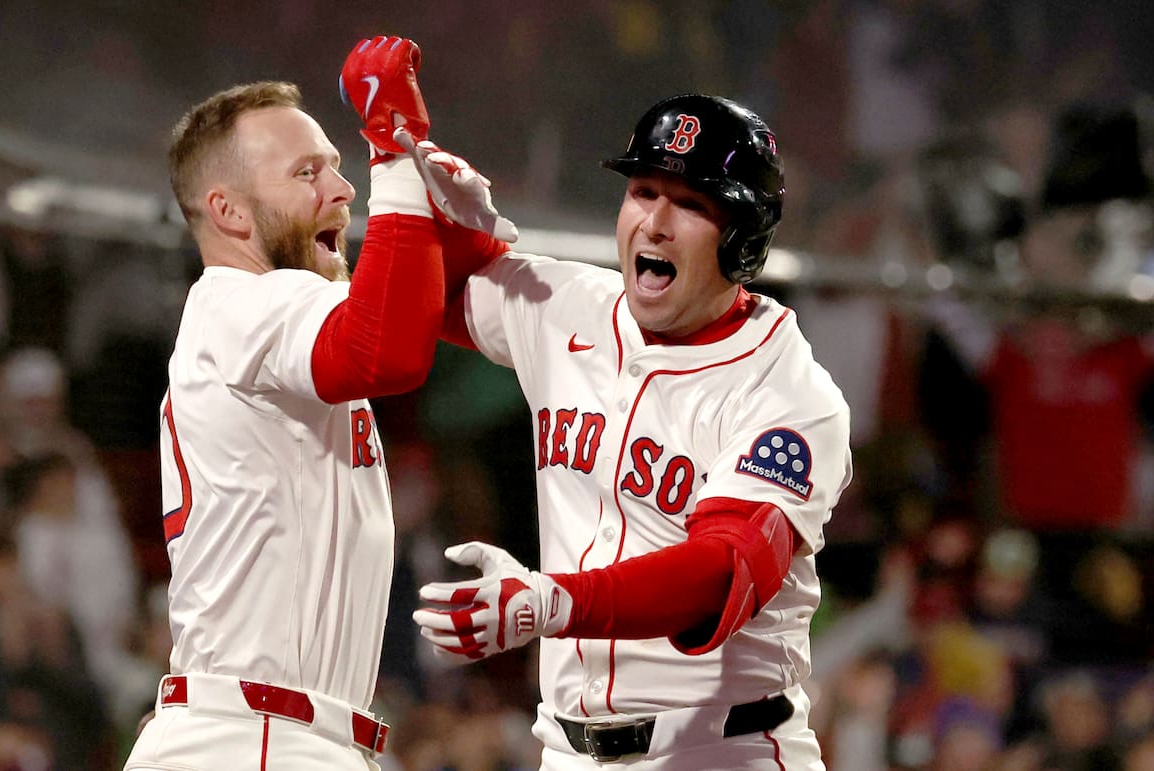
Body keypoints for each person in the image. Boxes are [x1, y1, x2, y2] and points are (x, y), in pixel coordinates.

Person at [372, 42, 852, 769]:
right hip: (566, 747)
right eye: (643, 191)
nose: (655, 222)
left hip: (721, 747)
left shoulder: (788, 392)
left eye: (690, 203)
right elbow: (416, 299)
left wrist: (553, 602)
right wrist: (406, 162)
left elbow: (719, 572)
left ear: (743, 240)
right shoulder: (570, 304)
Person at [124, 36, 468, 770]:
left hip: (274, 735)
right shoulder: (243, 303)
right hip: (253, 738)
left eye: (339, 168)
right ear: (229, 211)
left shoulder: (265, 317)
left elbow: (405, 323)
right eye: (306, 172)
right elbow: (389, 352)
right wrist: (397, 150)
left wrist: (465, 243)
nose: (342, 191)